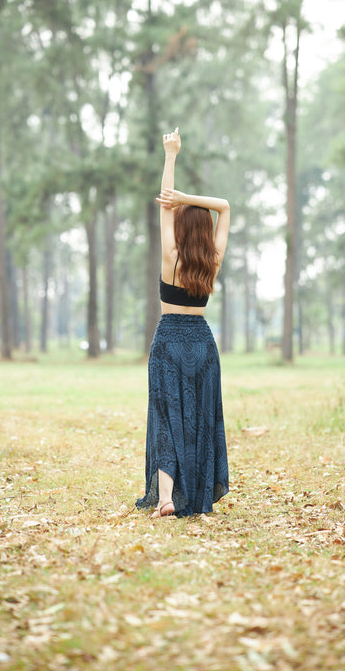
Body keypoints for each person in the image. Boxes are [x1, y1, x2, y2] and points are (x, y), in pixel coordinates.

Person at [136, 127, 230, 519]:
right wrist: (190, 199)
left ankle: (166, 498)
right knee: (199, 417)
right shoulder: (213, 261)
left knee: (165, 415)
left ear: (180, 229)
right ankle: (196, 491)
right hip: (202, 342)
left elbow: (164, 206)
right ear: (205, 232)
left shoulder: (169, 256)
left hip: (169, 339)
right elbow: (224, 205)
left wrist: (170, 156)